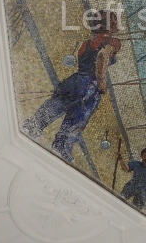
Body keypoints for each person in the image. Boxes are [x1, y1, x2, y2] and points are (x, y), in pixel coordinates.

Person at [23, 10, 121, 161]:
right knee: (76, 120)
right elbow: (102, 56)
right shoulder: (114, 42)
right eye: (114, 20)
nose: (117, 23)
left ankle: (33, 126)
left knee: (55, 105)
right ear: (110, 24)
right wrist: (101, 80)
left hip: (74, 81)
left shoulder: (85, 44)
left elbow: (82, 61)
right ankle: (61, 148)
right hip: (90, 87)